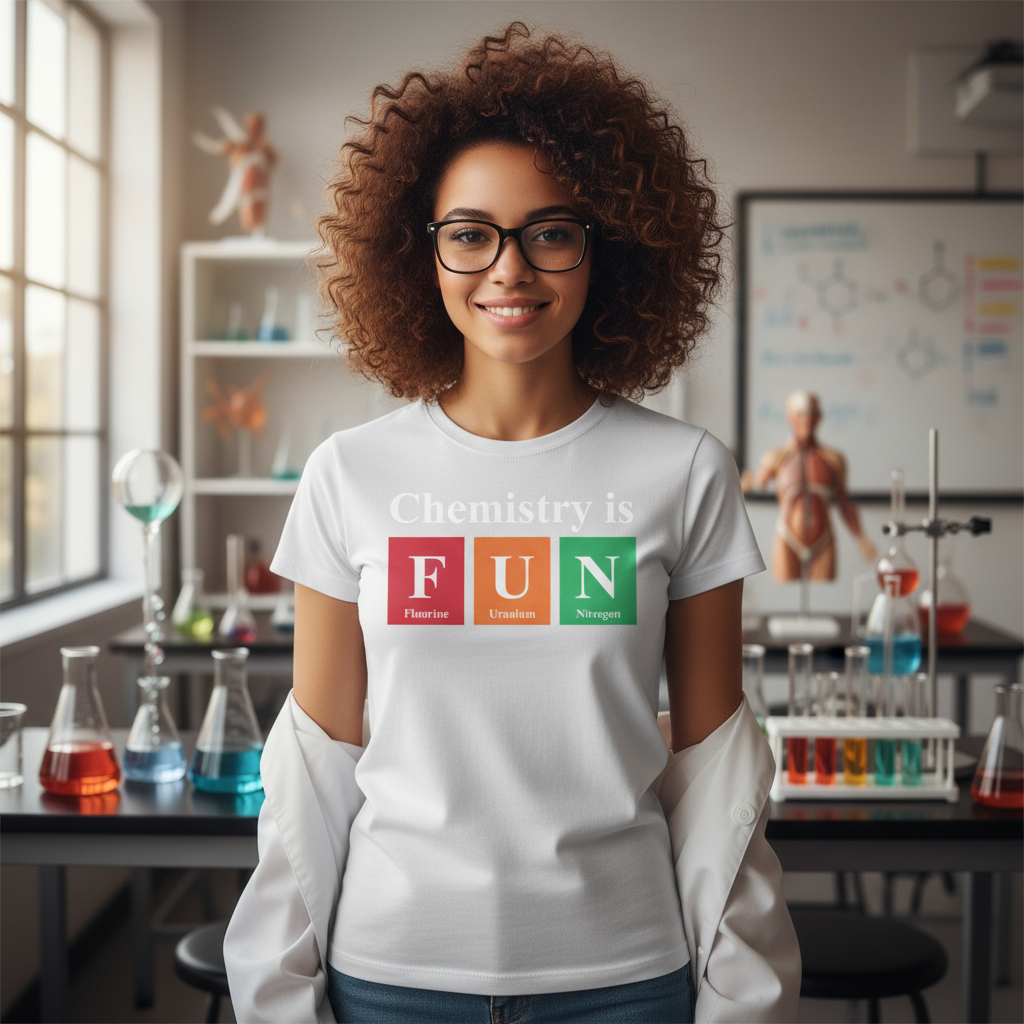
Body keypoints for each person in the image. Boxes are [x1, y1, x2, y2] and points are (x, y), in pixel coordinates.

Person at [224, 23, 800, 1024]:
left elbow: (717, 773)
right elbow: (315, 765)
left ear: (603, 243)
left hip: (623, 976)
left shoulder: (685, 472)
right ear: (423, 250)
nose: (509, 269)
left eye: (551, 229)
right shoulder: (349, 476)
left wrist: (742, 992)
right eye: (470, 232)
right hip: (392, 974)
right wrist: (279, 989)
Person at [742, 390, 876, 581]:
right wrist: (748, 482)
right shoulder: (776, 457)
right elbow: (758, 482)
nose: (806, 419)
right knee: (786, 601)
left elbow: (844, 502)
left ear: (819, 417)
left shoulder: (833, 459)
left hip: (824, 539)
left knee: (822, 601)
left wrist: (860, 537)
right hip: (787, 536)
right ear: (790, 416)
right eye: (800, 414)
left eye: (812, 413)